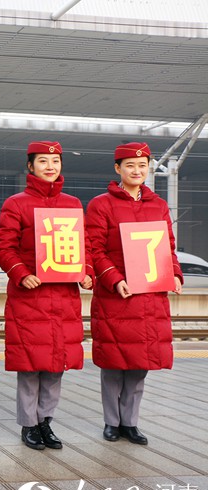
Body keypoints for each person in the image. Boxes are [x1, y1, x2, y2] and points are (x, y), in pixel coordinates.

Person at [0, 141, 93, 451]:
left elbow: (84, 247)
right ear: (30, 166)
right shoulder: (16, 203)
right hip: (30, 296)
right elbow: (4, 248)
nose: (50, 166)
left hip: (63, 299)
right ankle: (28, 424)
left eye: (55, 161)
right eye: (43, 161)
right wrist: (22, 273)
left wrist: (87, 271)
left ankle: (46, 422)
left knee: (55, 366)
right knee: (30, 365)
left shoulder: (73, 204)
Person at [86, 142, 182, 445]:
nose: (136, 171)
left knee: (140, 364)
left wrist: (176, 274)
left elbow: (168, 247)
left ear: (148, 168)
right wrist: (113, 279)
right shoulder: (101, 204)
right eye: (129, 166)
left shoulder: (158, 205)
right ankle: (111, 422)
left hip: (149, 297)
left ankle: (131, 422)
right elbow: (95, 249)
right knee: (115, 363)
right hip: (117, 295)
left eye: (142, 166)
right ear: (118, 169)